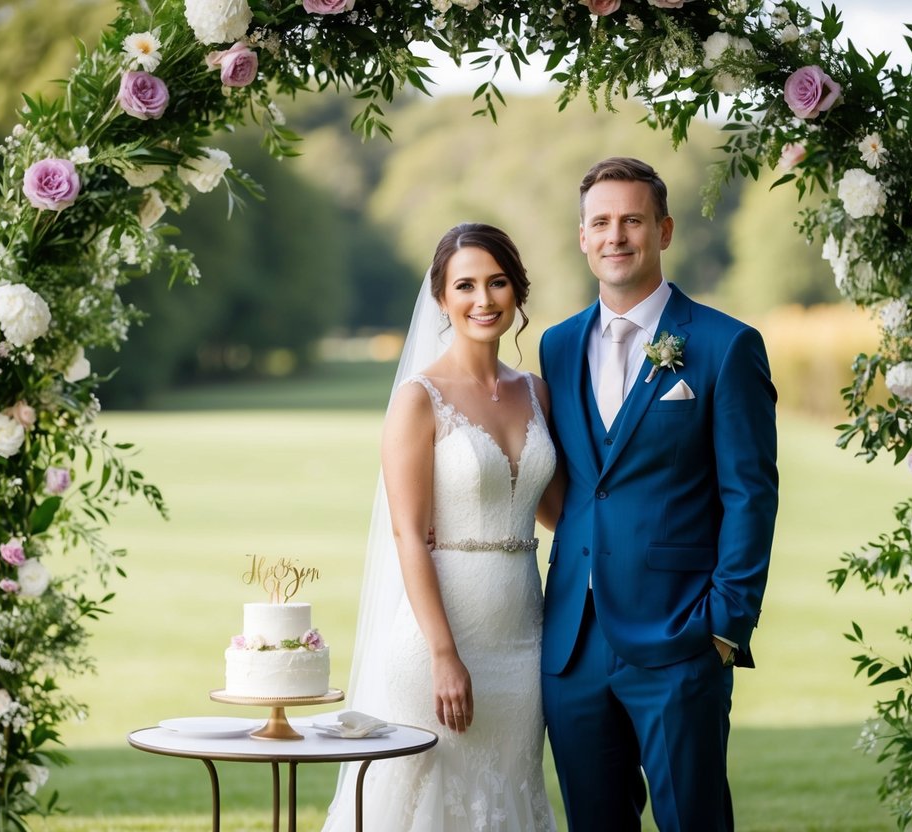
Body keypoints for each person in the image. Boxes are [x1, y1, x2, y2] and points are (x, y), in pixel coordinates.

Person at [538, 157, 778, 832]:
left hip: (681, 637)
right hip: (572, 645)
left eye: (632, 220)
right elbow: (576, 486)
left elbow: (749, 493)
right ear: (582, 237)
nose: (616, 236)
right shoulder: (555, 348)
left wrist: (725, 626)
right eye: (601, 223)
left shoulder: (725, 346)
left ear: (663, 230)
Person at [322, 222, 561, 832]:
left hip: (523, 643)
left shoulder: (536, 392)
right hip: (440, 643)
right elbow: (407, 534)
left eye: (497, 282)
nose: (484, 299)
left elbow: (557, 510)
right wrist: (444, 655)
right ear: (442, 299)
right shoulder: (418, 398)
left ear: (517, 291)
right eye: (466, 285)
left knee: (510, 797)